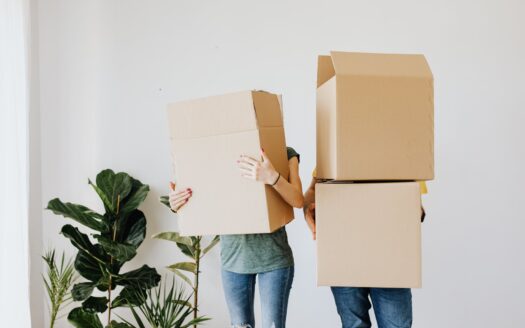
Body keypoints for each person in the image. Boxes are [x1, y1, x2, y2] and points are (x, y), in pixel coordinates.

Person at [169, 147, 304, 328]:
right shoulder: (215, 151)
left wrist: (272, 177)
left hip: (274, 260)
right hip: (233, 261)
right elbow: (199, 195)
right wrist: (177, 202)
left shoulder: (284, 152)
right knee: (239, 325)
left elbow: (298, 200)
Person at [303, 171, 426, 328]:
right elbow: (313, 190)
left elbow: (413, 198)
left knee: (396, 325)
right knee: (354, 325)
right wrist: (308, 208)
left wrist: (411, 211)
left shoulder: (400, 153)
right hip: (344, 254)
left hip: (389, 257)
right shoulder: (335, 149)